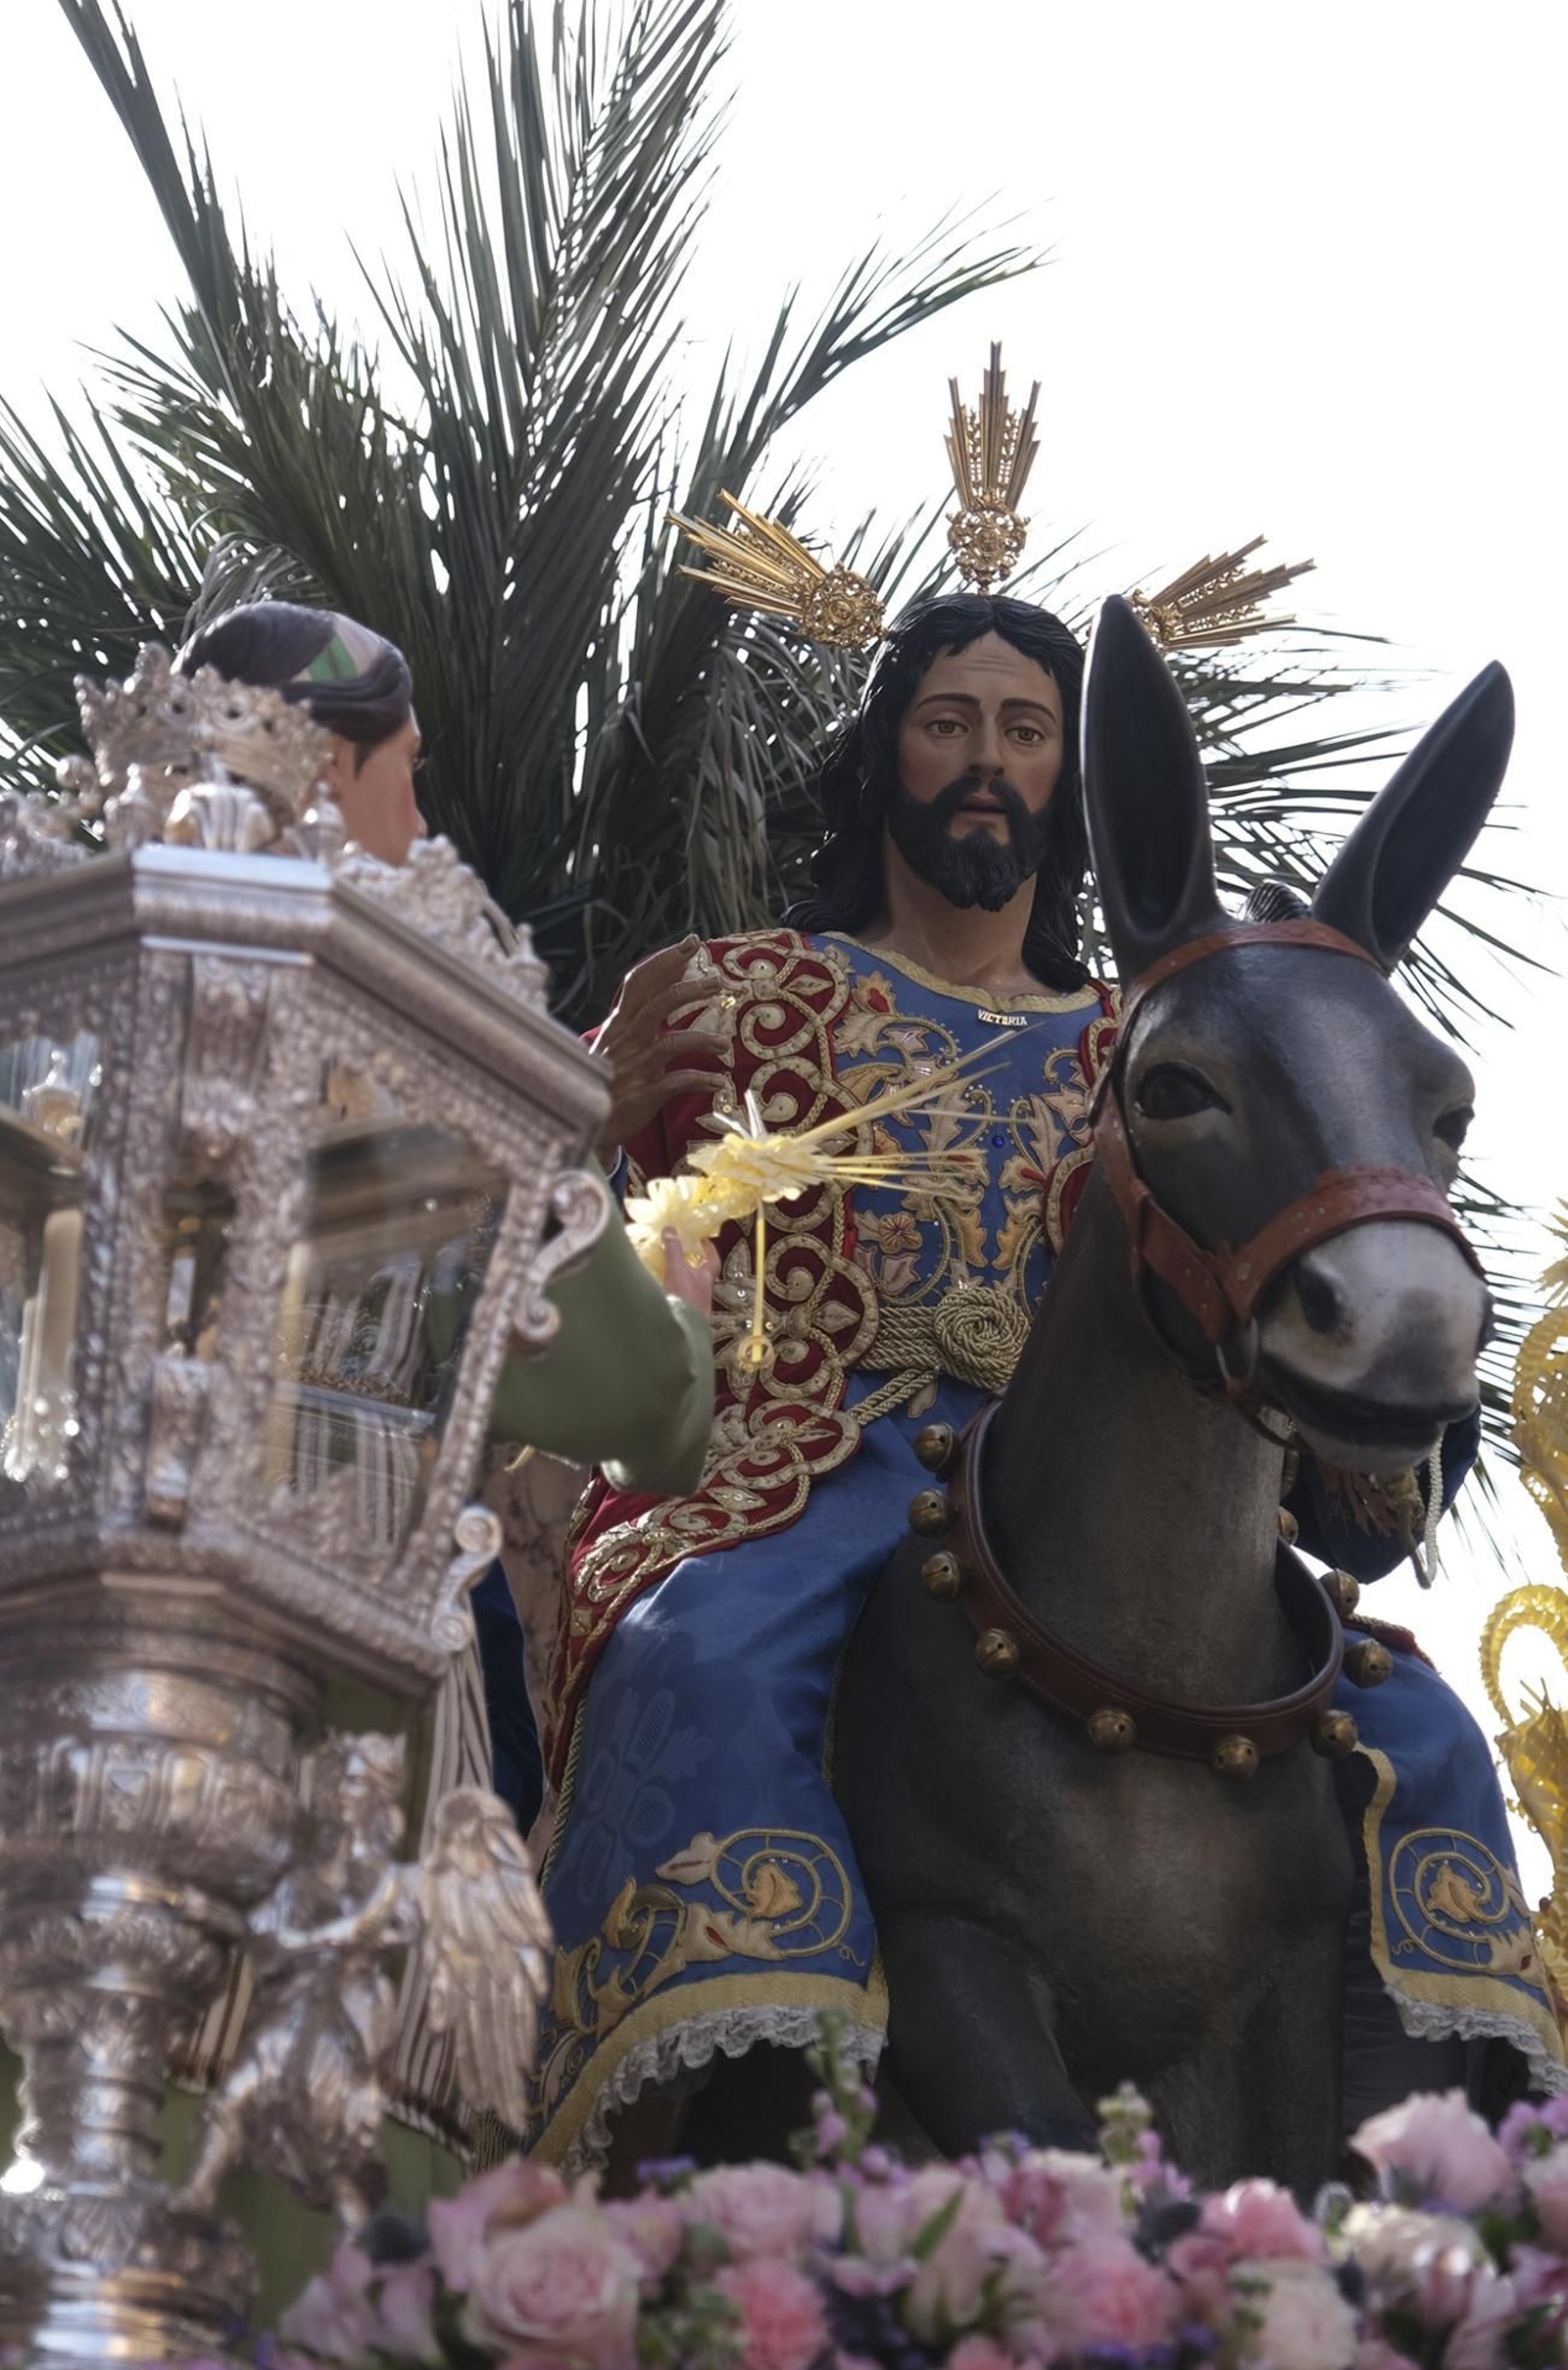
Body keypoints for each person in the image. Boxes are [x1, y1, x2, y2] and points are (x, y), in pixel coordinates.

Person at [526, 372, 1494, 2177]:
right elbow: (559, 1218)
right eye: (951, 721)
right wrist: (580, 1133)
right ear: (887, 751)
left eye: (1030, 729)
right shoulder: (739, 990)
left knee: (1414, 1730)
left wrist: (1353, 1436)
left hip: (1102, 1495)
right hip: (806, 1474)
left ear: (1073, 780)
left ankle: (1453, 2172)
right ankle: (703, 2094)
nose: (989, 758)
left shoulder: (1160, 1039)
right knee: (704, 1665)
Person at [161, 600, 717, 2280]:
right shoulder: (424, 1051)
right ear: (332, 771)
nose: (426, 817)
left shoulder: (70, 979)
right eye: (408, 772)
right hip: (334, 1739)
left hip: (64, 1713)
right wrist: (680, 1286)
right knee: (310, 2245)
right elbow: (644, 1410)